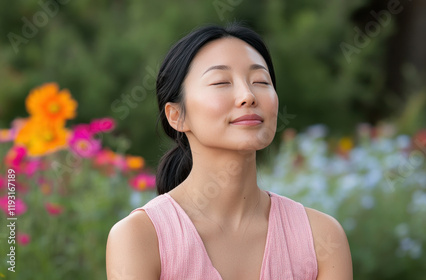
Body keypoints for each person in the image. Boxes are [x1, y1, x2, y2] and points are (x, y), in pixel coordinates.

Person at [106, 23, 352, 280]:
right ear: (177, 116)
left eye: (260, 81)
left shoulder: (320, 238)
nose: (248, 95)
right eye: (221, 82)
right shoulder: (141, 238)